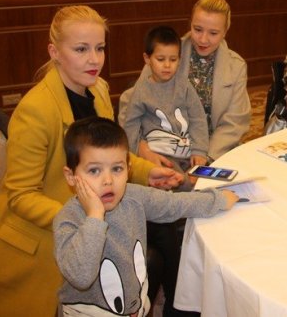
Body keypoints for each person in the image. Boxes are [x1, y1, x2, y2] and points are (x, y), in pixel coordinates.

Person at [0, 5, 183, 316]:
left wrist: (148, 172)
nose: (94, 59)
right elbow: (21, 196)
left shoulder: (99, 90)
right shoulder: (36, 110)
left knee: (164, 228)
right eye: (81, 49)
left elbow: (111, 155)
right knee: (150, 257)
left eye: (99, 48)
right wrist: (83, 216)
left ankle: (176, 308)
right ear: (54, 52)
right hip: (51, 230)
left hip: (97, 207)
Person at [54, 117, 237, 316]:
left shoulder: (133, 197)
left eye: (117, 169)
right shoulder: (68, 219)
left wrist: (217, 200)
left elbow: (174, 204)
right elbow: (81, 276)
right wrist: (95, 217)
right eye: (94, 170)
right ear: (71, 176)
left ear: (128, 169)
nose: (108, 180)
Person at [120, 0, 250, 164]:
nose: (203, 39)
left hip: (215, 150)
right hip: (166, 147)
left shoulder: (236, 66)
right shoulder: (167, 53)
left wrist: (205, 157)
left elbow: (234, 122)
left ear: (225, 32)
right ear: (190, 24)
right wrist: (141, 146)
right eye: (197, 29)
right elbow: (129, 105)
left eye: (213, 33)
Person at [122, 25, 209, 174]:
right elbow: (130, 124)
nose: (167, 65)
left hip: (187, 151)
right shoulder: (141, 90)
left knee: (210, 173)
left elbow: (198, 118)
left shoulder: (184, 86)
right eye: (160, 59)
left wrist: (199, 150)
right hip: (159, 153)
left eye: (173, 59)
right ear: (147, 59)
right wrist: (136, 150)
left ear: (179, 60)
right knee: (175, 179)